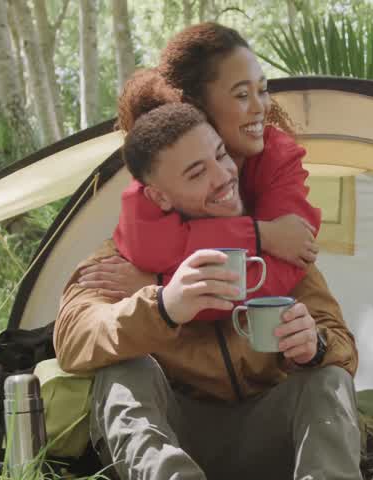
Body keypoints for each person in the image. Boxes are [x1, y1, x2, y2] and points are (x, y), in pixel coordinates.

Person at [54, 103, 373, 480]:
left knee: (328, 377)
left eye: (222, 156)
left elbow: (341, 342)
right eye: (197, 172)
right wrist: (161, 305)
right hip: (178, 439)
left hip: (271, 441)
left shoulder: (277, 249)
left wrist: (313, 343)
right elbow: (74, 336)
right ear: (158, 196)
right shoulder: (121, 257)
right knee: (120, 371)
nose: (222, 176)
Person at [77, 23, 318, 313]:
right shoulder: (162, 160)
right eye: (242, 95)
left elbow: (280, 270)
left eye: (263, 90)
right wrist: (261, 235)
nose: (260, 107)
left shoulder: (279, 156)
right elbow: (152, 247)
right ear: (195, 105)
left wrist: (159, 285)